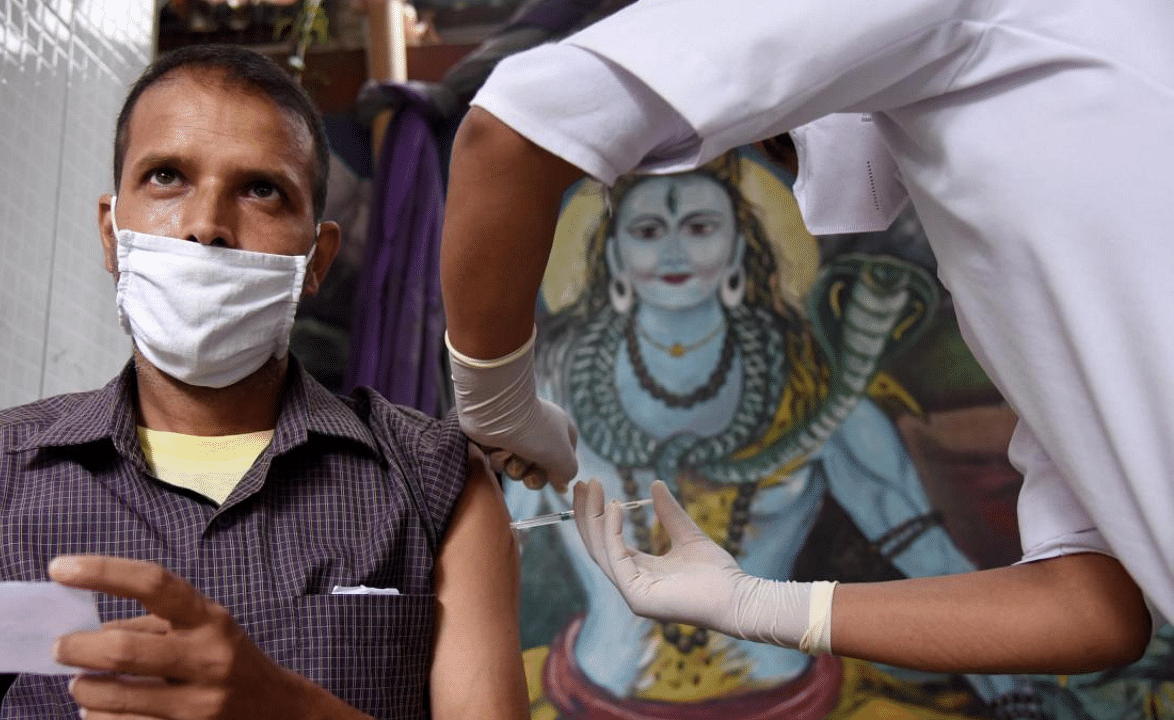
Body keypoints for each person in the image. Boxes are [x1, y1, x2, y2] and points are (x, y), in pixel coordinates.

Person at [440, 0, 1167, 675]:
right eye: (648, 229)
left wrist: (498, 403)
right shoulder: (1024, 229)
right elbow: (1092, 603)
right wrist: (752, 604)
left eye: (699, 225)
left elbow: (515, 128)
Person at [0, 44, 529, 720]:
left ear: (317, 260)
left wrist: (287, 711)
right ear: (112, 234)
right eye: (167, 176)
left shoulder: (434, 483)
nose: (205, 226)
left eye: (261, 189)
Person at [506, 154, 1041, 716]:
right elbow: (496, 552)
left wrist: (1014, 694)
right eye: (646, 230)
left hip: (795, 694)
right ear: (611, 255)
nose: (674, 249)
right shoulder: (550, 393)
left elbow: (927, 553)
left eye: (700, 226)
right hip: (587, 692)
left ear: (742, 247)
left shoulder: (815, 395)